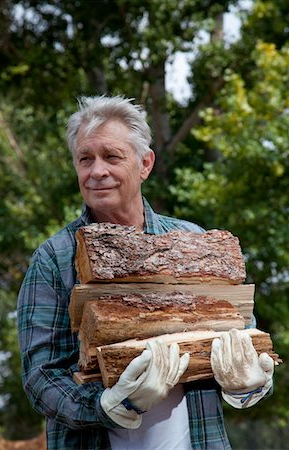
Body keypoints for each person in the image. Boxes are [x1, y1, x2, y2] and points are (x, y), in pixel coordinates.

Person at [17, 95, 274, 450]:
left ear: (145, 164)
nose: (96, 171)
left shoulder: (194, 243)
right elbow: (40, 377)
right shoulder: (54, 259)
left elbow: (244, 341)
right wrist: (104, 405)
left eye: (112, 156)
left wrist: (249, 383)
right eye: (85, 159)